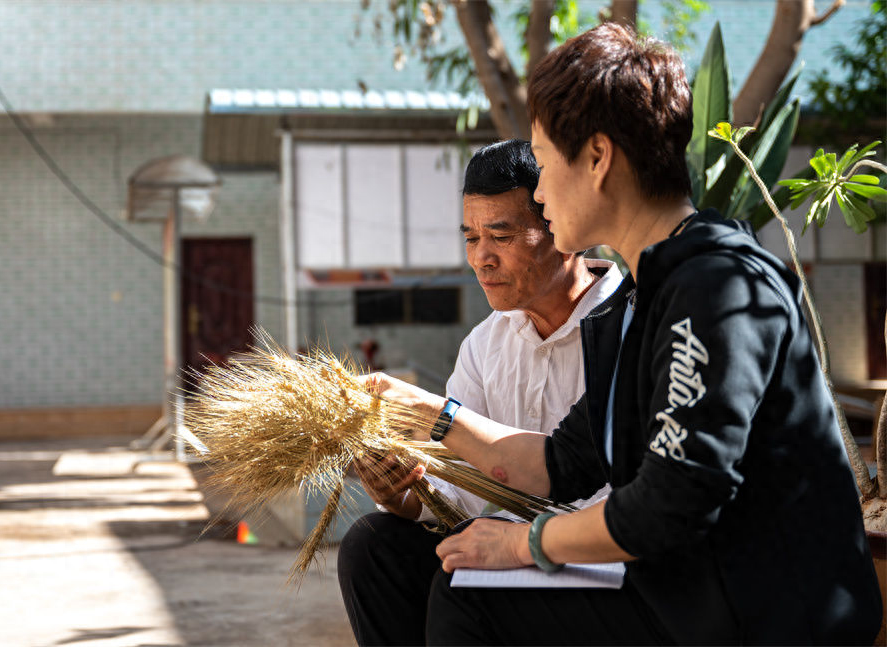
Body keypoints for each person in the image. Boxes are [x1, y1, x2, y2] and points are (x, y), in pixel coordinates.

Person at [360, 24, 882, 646]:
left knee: (472, 601)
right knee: (396, 560)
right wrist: (428, 416)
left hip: (758, 614)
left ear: (598, 158)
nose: (542, 191)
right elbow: (559, 462)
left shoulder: (717, 286)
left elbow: (675, 499)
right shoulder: (643, 301)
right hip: (682, 593)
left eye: (547, 164)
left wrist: (526, 543)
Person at [338, 139, 623, 646]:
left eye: (502, 235)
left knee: (463, 588)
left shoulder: (629, 329)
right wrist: (402, 493)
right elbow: (461, 491)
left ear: (565, 229)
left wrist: (437, 415)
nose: (481, 258)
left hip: (605, 564)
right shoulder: (486, 344)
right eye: (471, 237)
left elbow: (627, 505)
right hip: (509, 551)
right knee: (372, 545)